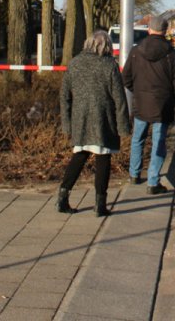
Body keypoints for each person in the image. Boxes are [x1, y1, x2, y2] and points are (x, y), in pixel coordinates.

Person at [58, 30, 130, 217]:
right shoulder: (109, 66)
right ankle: (100, 204)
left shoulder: (74, 63)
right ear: (106, 46)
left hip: (80, 120)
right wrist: (123, 126)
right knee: (103, 159)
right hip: (103, 120)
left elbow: (64, 96)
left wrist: (66, 123)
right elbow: (119, 99)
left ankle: (62, 196)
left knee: (79, 156)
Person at [124, 17, 175, 194]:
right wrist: (172, 98)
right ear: (166, 30)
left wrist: (137, 92)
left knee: (138, 138)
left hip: (141, 102)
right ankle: (153, 182)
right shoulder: (171, 54)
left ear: (149, 30)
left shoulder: (136, 51)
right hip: (163, 103)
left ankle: (134, 174)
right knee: (159, 141)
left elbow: (126, 78)